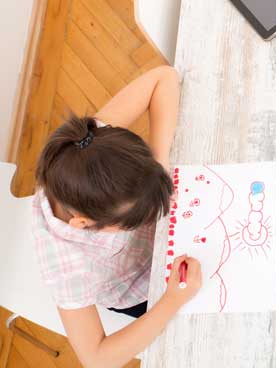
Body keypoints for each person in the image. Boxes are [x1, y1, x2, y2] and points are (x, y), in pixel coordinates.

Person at [32, 66, 203, 368]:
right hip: (141, 288)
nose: (153, 214)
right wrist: (171, 302)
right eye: (135, 218)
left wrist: (158, 166)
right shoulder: (66, 268)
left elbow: (163, 78)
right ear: (84, 224)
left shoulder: (88, 150)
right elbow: (96, 359)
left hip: (173, 242)